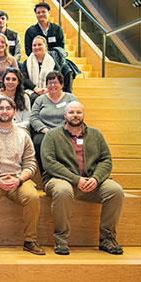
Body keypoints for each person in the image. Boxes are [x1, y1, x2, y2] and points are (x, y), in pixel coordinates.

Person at [41, 101, 124, 255]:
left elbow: (106, 159)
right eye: (71, 112)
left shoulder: (96, 134)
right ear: (65, 115)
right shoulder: (52, 135)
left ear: (83, 115)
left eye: (78, 112)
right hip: (62, 180)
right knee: (63, 191)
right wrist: (75, 179)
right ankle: (61, 240)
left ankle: (108, 239)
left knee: (116, 191)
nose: (75, 115)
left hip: (91, 182)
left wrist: (96, 178)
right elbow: (49, 163)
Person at [0, 97, 43, 255]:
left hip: (17, 180)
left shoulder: (24, 135)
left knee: (33, 197)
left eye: (8, 108)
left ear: (14, 112)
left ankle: (30, 240)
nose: (4, 111)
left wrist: (18, 180)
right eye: (1, 108)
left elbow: (31, 164)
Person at [24, 2, 77, 92]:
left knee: (68, 71)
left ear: (48, 13)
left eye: (43, 12)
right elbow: (28, 50)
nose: (41, 14)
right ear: (36, 14)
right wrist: (41, 56)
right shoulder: (30, 31)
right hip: (37, 59)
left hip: (57, 59)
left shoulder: (57, 29)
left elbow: (61, 47)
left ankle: (66, 96)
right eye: (38, 12)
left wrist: (51, 56)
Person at [30, 71, 78, 171]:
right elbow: (34, 117)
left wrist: (66, 129)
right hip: (45, 131)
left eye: (55, 83)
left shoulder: (70, 98)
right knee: (38, 142)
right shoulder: (40, 99)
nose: (52, 85)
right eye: (49, 83)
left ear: (61, 84)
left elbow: (76, 114)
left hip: (65, 130)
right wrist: (45, 130)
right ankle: (46, 173)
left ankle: (70, 172)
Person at [21, 36, 56, 105]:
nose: (36, 47)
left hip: (48, 90)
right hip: (30, 90)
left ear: (45, 46)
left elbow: (56, 79)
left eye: (39, 45)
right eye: (34, 45)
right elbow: (24, 78)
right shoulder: (27, 62)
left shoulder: (52, 62)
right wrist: (35, 88)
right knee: (35, 97)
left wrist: (48, 89)